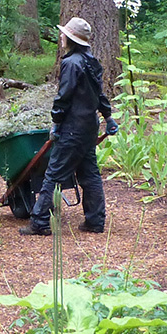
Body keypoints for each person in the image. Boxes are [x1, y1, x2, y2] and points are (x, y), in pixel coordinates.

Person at [20, 17, 119, 235]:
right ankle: (95, 221)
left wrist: (56, 122)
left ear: (72, 38)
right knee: (90, 174)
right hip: (88, 126)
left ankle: (40, 222)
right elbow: (100, 94)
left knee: (54, 174)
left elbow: (63, 97)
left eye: (64, 34)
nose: (61, 37)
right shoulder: (91, 61)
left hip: (72, 128)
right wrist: (108, 116)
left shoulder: (71, 63)